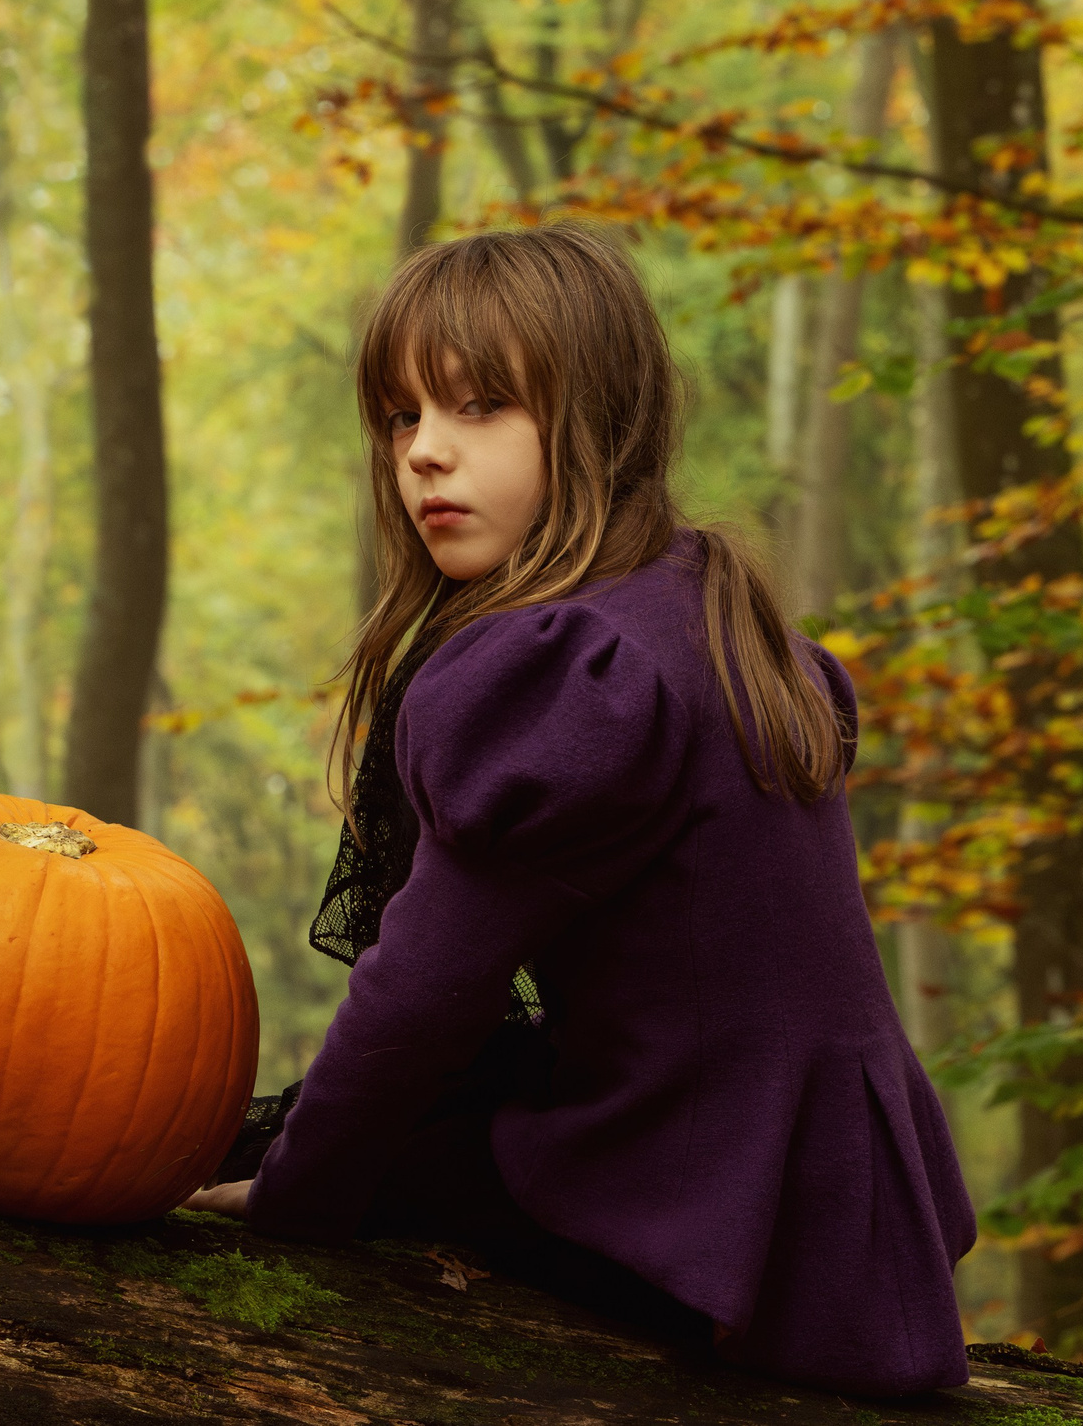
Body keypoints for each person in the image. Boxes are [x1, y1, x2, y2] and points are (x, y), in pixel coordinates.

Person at [180, 225, 976, 1396]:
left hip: (699, 1198)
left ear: (599, 419)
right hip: (817, 1194)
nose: (425, 456)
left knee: (266, 1152)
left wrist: (295, 1207)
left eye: (482, 406)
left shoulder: (579, 674)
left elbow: (420, 994)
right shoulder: (701, 608)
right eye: (403, 417)